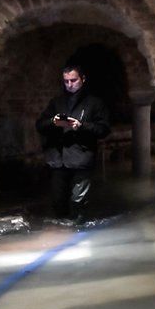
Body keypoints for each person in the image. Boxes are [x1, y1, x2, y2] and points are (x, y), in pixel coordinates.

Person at [35, 65, 110, 223]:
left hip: (81, 157)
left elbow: (103, 129)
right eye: (66, 81)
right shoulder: (57, 102)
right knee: (58, 200)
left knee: (78, 201)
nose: (69, 84)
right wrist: (53, 122)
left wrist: (81, 126)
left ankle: (78, 230)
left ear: (83, 79)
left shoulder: (94, 103)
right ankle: (63, 233)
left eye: (73, 80)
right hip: (58, 158)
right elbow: (40, 125)